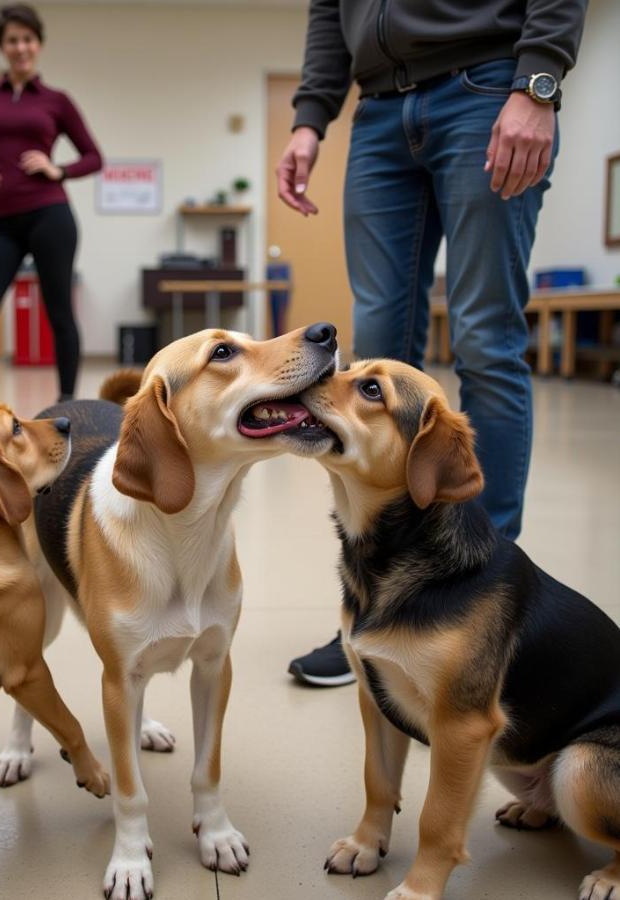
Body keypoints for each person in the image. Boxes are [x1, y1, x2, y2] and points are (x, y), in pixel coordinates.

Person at [277, 0, 587, 686]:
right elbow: (331, 10)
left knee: (485, 338)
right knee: (371, 365)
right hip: (380, 111)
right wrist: (309, 117)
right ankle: (376, 609)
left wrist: (537, 82)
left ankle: (485, 605)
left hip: (487, 87)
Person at [0, 3, 102, 411]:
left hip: (50, 216)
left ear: (39, 45)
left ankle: (67, 403)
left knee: (59, 313)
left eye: (27, 39)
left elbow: (93, 157)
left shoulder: (56, 101)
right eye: (12, 40)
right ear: (2, 46)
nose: (20, 47)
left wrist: (57, 169)